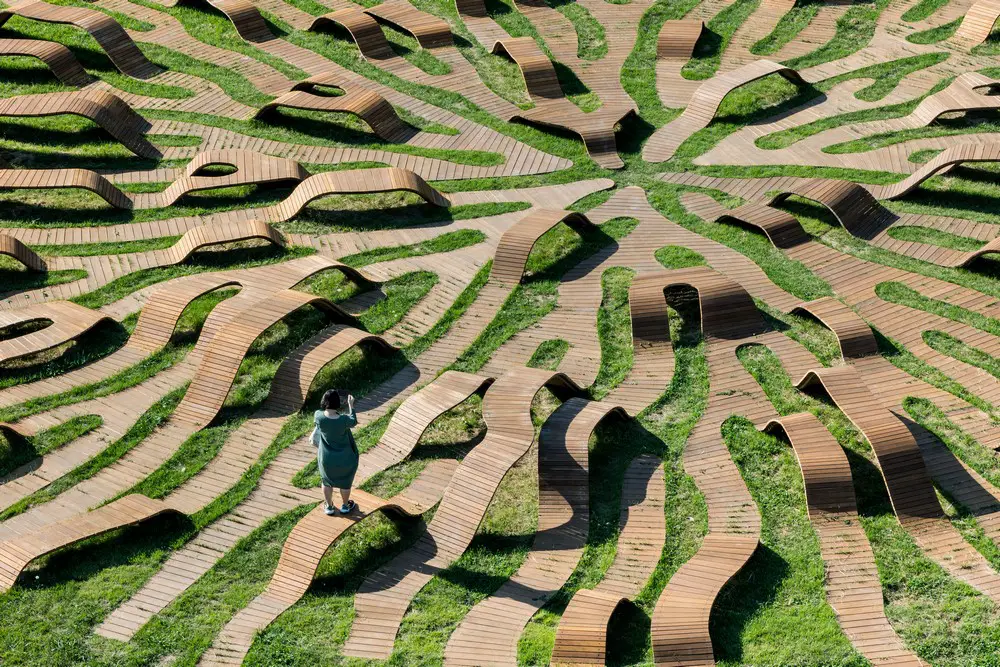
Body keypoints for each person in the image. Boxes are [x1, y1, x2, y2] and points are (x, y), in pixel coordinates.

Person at [313, 389, 359, 516]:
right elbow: (353, 420)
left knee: (326, 481)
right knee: (345, 482)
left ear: (324, 401)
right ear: (338, 402)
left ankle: (329, 506)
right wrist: (351, 405)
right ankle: (345, 506)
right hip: (345, 458)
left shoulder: (318, 416)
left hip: (327, 458)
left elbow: (319, 420)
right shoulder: (344, 420)